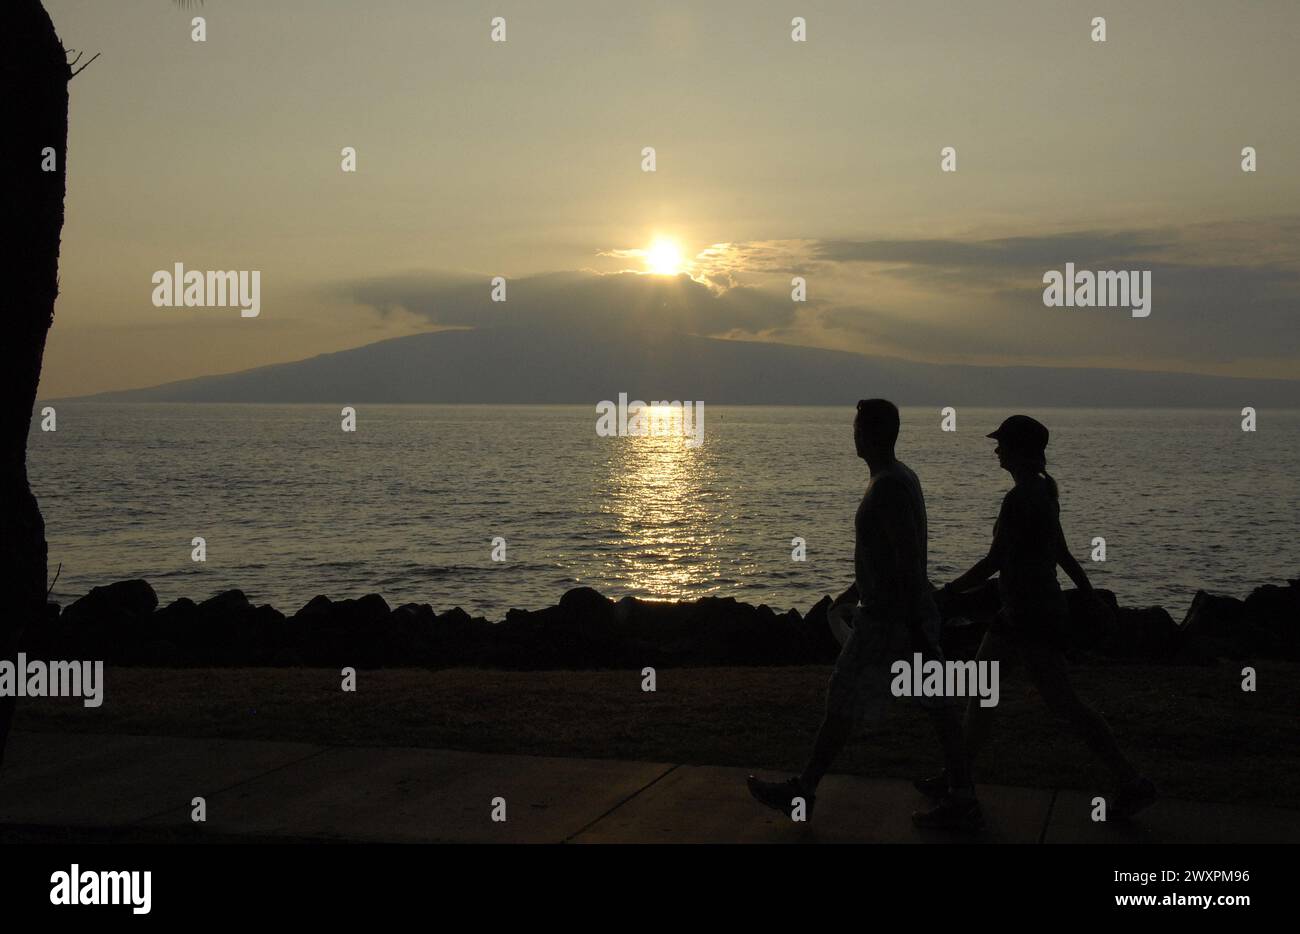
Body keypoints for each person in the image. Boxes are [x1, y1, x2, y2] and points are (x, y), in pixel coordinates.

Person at [747, 399, 983, 831]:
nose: (852, 433)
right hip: (890, 615)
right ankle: (959, 793)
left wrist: (916, 628)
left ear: (871, 433)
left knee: (868, 703)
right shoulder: (898, 476)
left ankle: (806, 791)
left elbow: (908, 560)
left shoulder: (889, 486)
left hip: (890, 622)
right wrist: (852, 592)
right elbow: (886, 555)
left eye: (857, 426)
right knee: (925, 705)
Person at [920, 415, 1157, 818]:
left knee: (1061, 703)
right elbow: (1062, 554)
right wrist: (1089, 598)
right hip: (1026, 612)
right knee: (986, 693)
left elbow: (994, 561)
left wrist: (947, 591)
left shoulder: (1020, 499)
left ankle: (1131, 781)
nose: (996, 451)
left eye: (1003, 445)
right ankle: (956, 777)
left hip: (1029, 615)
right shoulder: (1045, 491)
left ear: (1020, 451)